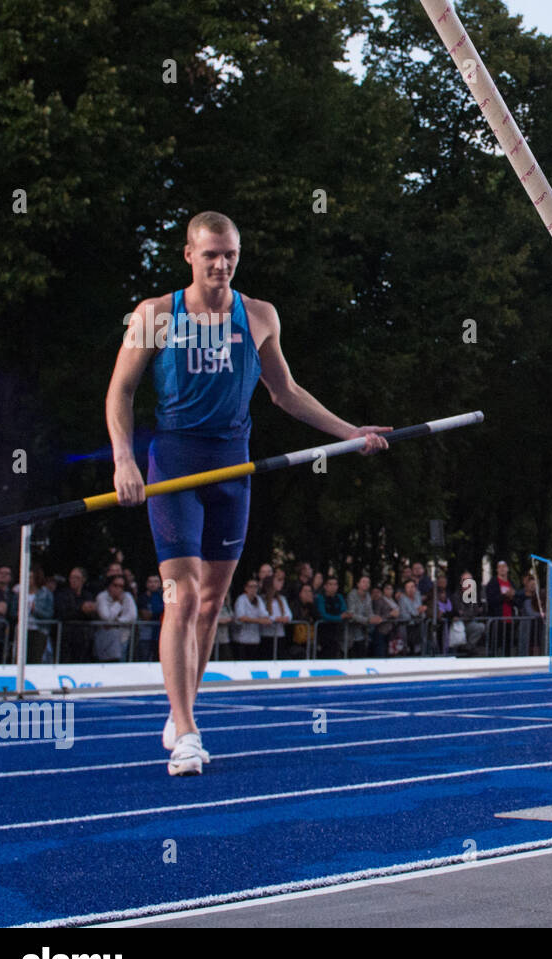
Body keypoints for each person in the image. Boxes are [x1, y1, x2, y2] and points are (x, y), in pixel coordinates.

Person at [107, 211, 390, 774]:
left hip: (232, 466)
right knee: (180, 597)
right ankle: (186, 729)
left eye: (231, 254)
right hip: (176, 465)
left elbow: (285, 393)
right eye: (211, 254)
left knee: (211, 604)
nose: (222, 264)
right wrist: (124, 459)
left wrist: (350, 433)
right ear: (189, 254)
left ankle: (182, 704)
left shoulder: (258, 316)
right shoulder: (154, 315)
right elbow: (120, 392)